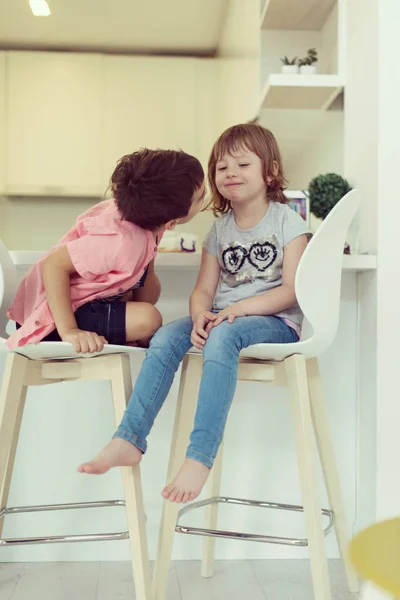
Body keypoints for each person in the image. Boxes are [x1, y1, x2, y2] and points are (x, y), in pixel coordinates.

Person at [78, 123, 309, 505]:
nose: (230, 172)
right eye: (221, 167)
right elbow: (203, 290)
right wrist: (201, 313)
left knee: (223, 334)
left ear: (269, 172)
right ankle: (129, 438)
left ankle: (200, 457)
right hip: (224, 319)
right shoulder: (218, 231)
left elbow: (291, 290)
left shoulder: (287, 221)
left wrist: (236, 310)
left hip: (276, 323)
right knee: (167, 336)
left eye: (242, 164)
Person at [6, 149, 205, 352]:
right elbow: (53, 265)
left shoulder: (148, 222)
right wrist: (70, 331)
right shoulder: (120, 241)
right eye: (201, 197)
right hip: (51, 318)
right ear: (172, 222)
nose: (206, 198)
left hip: (87, 301)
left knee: (148, 305)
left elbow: (146, 292)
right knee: (149, 318)